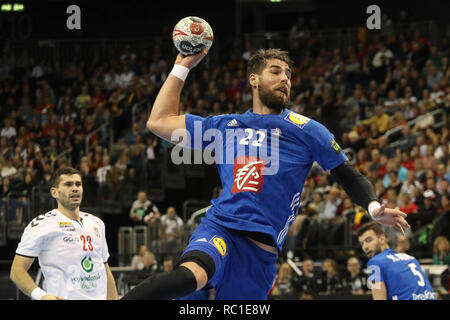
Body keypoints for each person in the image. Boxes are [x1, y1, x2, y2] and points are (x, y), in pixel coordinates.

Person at [122, 48, 410, 300]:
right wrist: (181, 67)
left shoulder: (307, 129)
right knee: (193, 274)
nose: (285, 78)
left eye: (288, 74)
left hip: (261, 255)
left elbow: (347, 174)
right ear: (253, 79)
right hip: (221, 227)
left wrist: (373, 207)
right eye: (275, 71)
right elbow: (159, 121)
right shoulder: (226, 126)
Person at [10, 167, 118, 300]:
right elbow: (16, 271)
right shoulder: (42, 225)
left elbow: (105, 269)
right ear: (54, 192)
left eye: (78, 184)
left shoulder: (97, 223)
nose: (75, 188)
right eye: (68, 184)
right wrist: (42, 296)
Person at [357, 221, 436, 300]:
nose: (365, 247)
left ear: (382, 239)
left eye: (369, 240)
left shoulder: (373, 263)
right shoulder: (411, 258)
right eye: (362, 243)